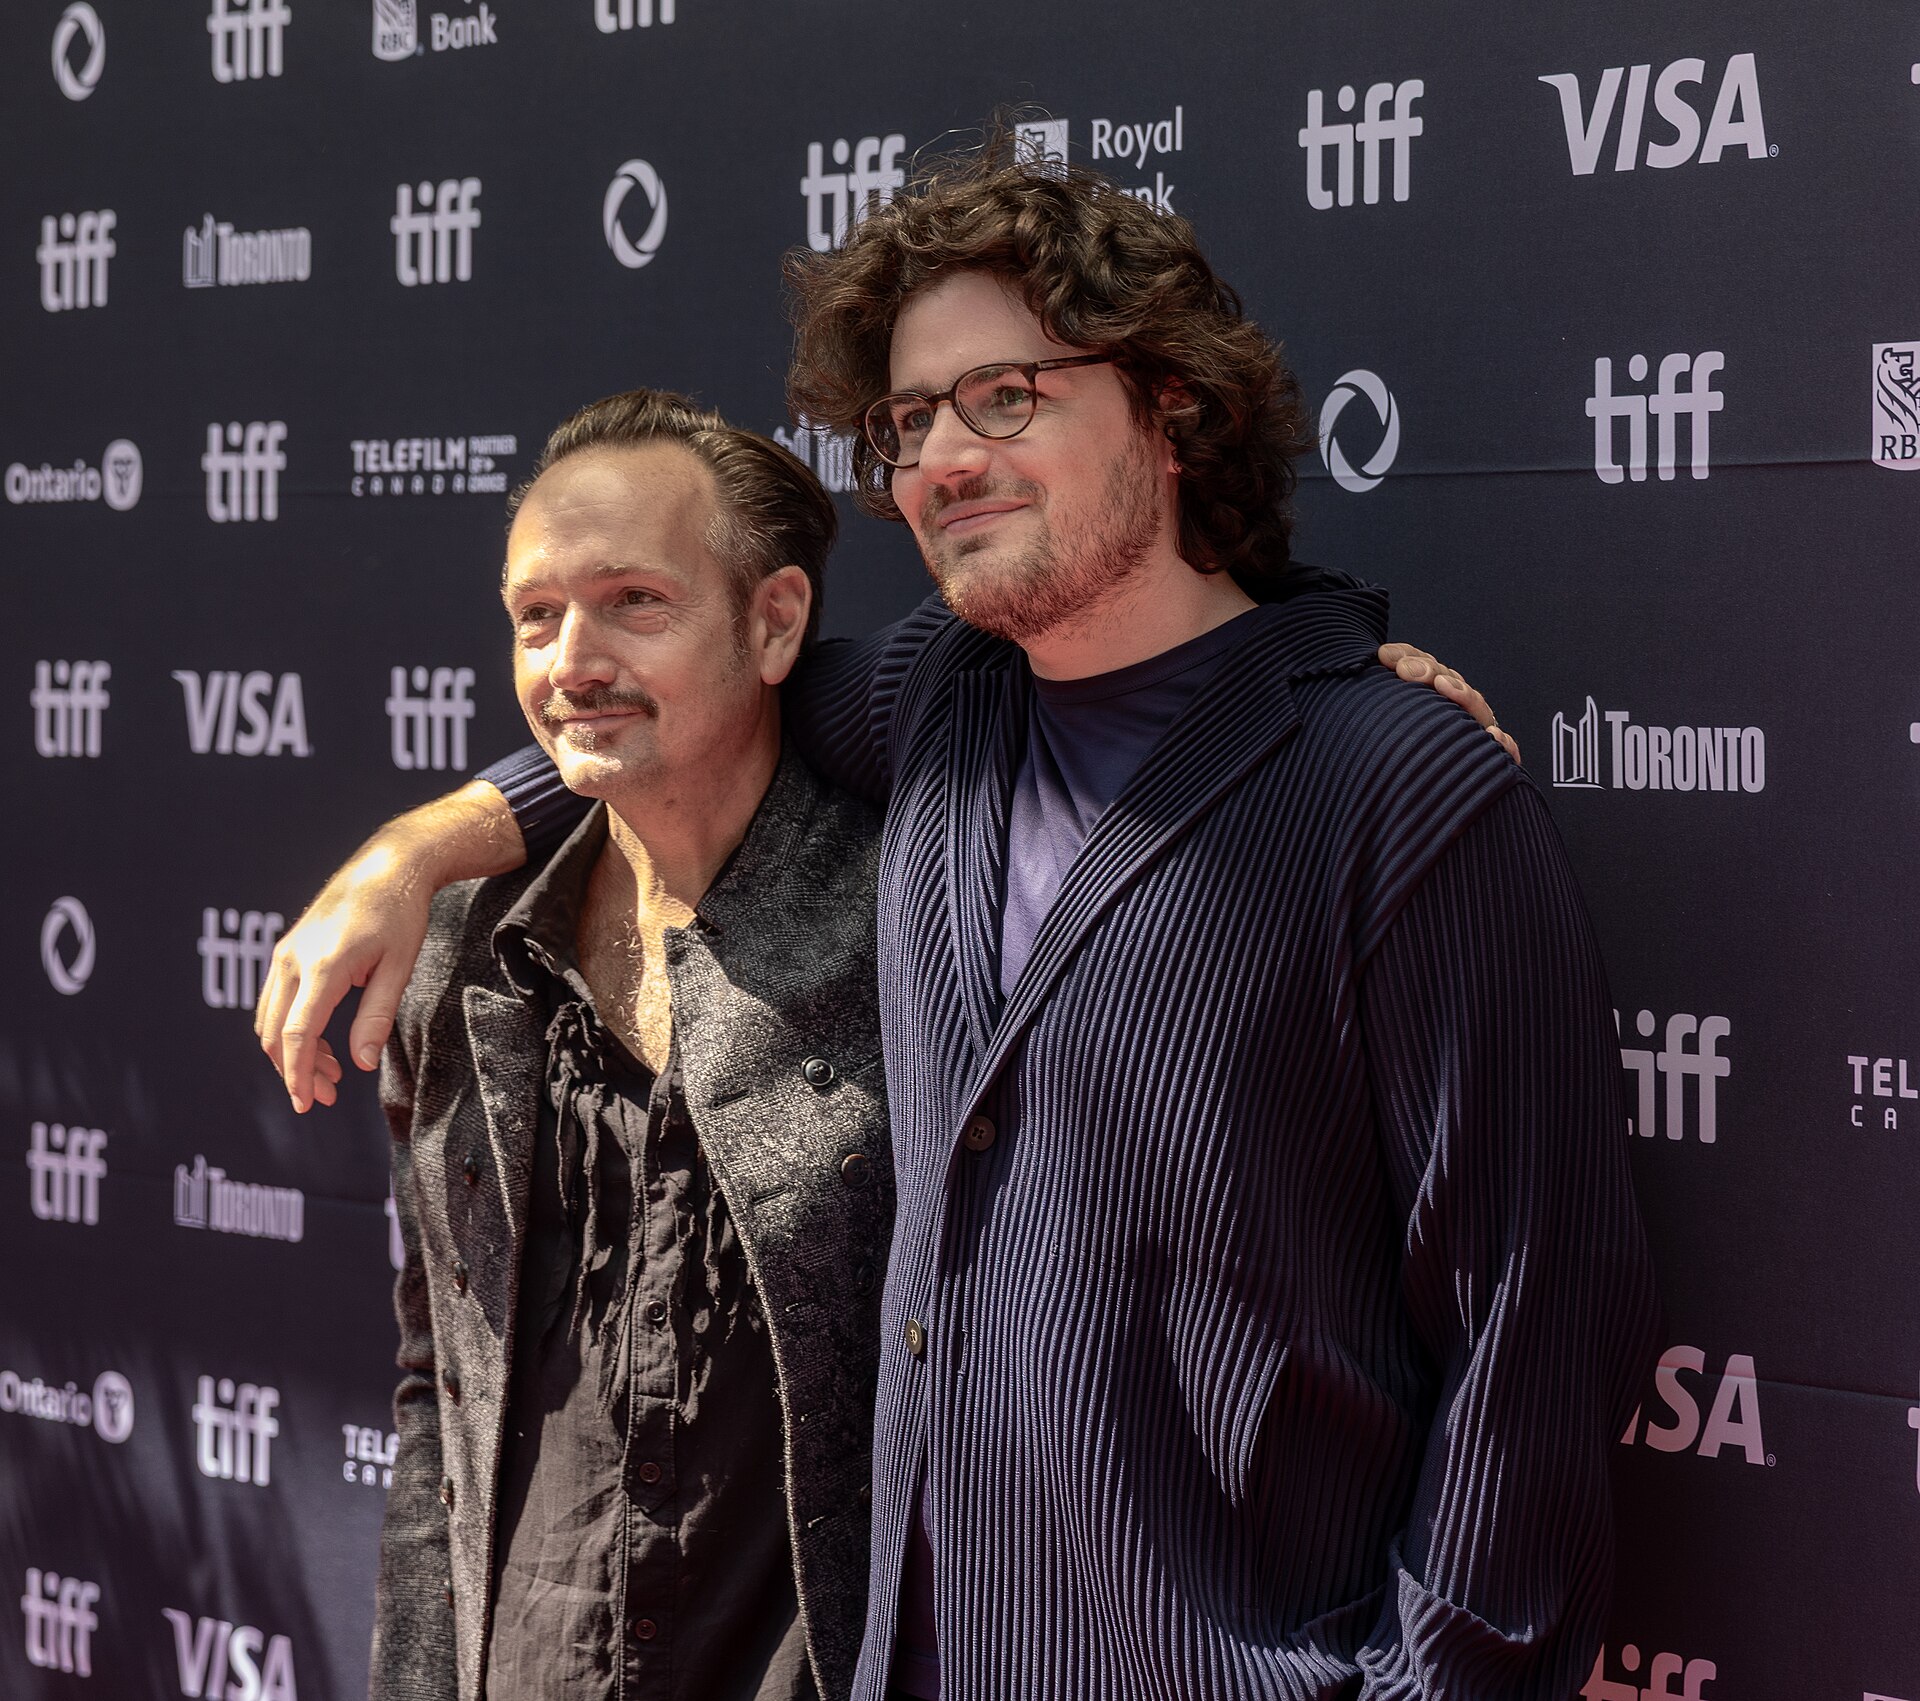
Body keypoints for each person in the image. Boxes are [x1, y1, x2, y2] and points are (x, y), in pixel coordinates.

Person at [261, 138, 1652, 1701]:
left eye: (1008, 396)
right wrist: (424, 843)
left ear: (1172, 408)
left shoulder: (1399, 792)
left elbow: (1531, 1348)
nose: (941, 458)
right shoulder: (940, 705)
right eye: (908, 421)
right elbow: (664, 701)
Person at [371, 389, 891, 1701]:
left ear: (774, 623)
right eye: (534, 616)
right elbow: (442, 1393)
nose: (568, 661)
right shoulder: (464, 950)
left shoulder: (912, 916)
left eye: (633, 604)